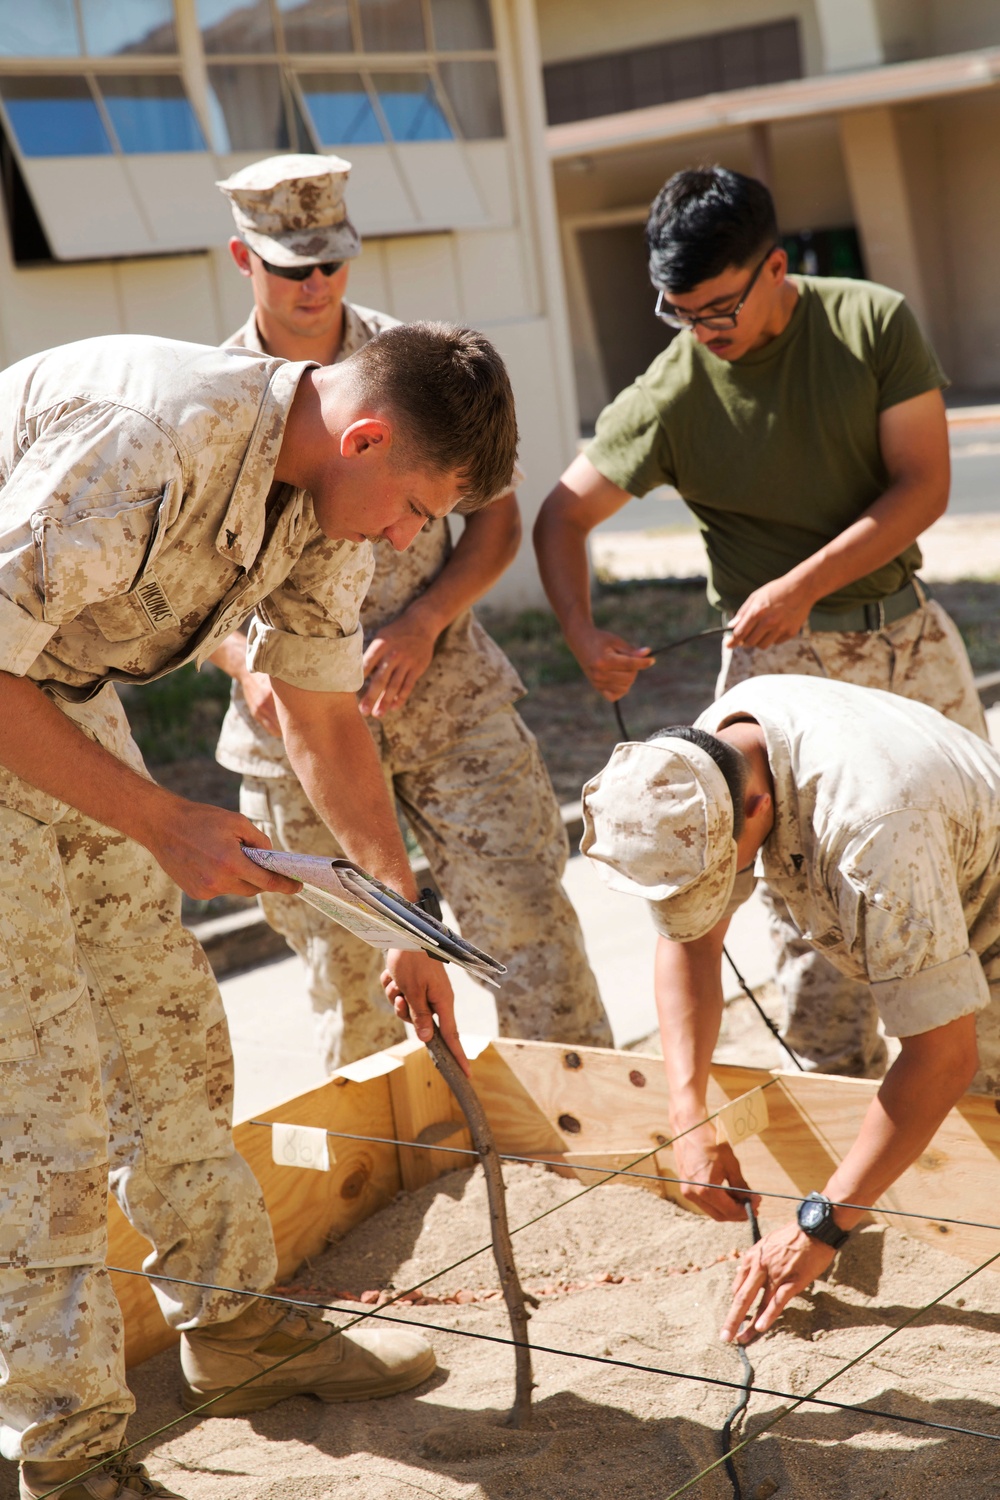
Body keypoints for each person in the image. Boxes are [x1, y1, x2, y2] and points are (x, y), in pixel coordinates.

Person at [0, 322, 516, 1498]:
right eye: (409, 510)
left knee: (168, 1035)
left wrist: (399, 913)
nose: (403, 542)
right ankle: (67, 1454)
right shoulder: (142, 444)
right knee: (43, 1102)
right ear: (367, 437)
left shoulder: (321, 486)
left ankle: (235, 1331)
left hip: (48, 695)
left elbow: (319, 705)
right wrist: (158, 817)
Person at [534, 165, 986, 1081]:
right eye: (679, 312)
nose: (701, 332)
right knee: (815, 924)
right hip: (781, 674)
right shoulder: (671, 391)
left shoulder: (871, 323)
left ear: (776, 268)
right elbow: (561, 516)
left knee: (979, 877)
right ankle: (839, 1103)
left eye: (717, 309)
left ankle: (977, 1096)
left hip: (911, 641)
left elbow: (923, 485)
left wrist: (803, 583)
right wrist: (584, 634)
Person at [210, 153, 611, 1070]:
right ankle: (392, 1185)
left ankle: (599, 1137)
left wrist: (427, 619)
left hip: (443, 696)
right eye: (290, 266)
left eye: (332, 262)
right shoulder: (220, 398)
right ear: (244, 260)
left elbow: (498, 520)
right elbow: (194, 580)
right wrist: (247, 665)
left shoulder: (417, 367)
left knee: (527, 932)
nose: (316, 285)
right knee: (350, 982)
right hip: (294, 727)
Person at [580, 673, 1000, 1344]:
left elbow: (943, 1057)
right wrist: (688, 1111)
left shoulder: (872, 830)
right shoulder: (704, 757)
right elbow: (691, 941)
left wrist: (822, 1225)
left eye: (717, 875)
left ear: (755, 807)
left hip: (987, 901)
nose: (713, 896)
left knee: (983, 1122)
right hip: (929, 853)